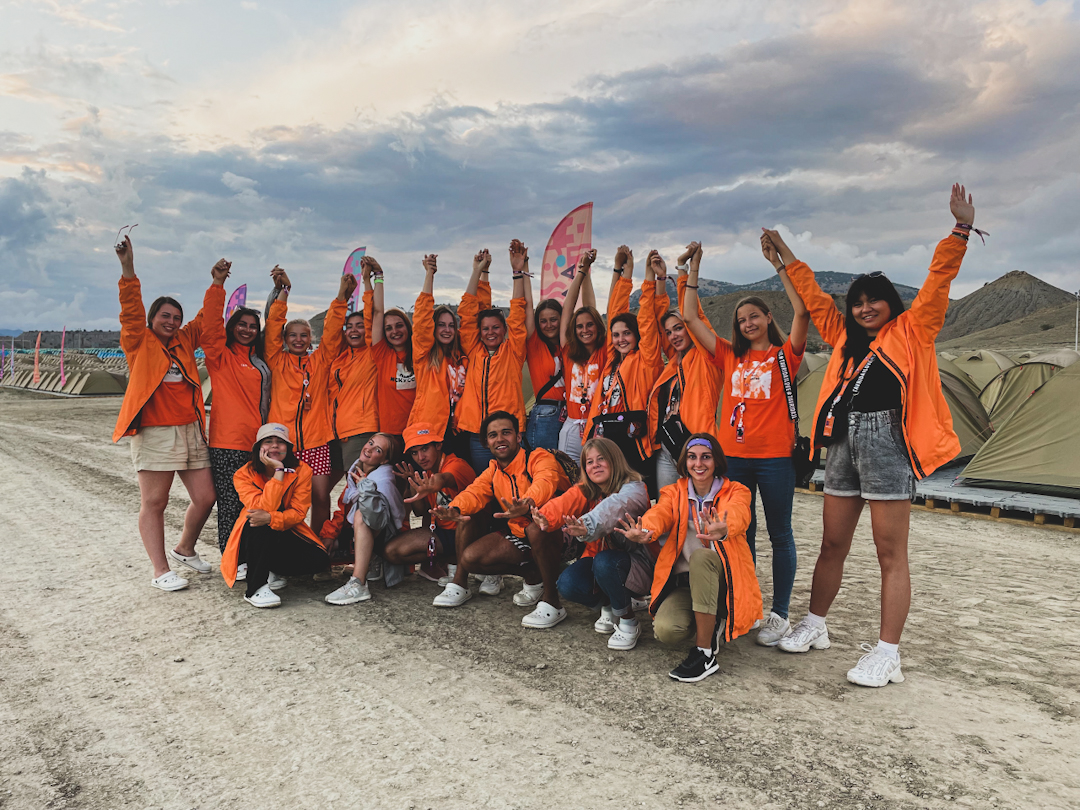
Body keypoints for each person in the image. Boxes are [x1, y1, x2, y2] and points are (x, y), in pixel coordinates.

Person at [772, 184, 978, 688]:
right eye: (858, 303)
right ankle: (816, 624)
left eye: (874, 302)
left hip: (888, 441)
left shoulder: (914, 329)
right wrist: (786, 257)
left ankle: (888, 654)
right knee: (832, 544)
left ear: (891, 304)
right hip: (843, 442)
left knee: (890, 553)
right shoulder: (843, 337)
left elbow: (938, 282)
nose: (865, 309)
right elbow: (814, 297)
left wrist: (960, 230)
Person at [682, 239, 810, 647]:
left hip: (774, 459)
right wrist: (693, 268)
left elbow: (803, 311)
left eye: (754, 316)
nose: (747, 323)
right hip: (733, 460)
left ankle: (780, 613)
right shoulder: (728, 355)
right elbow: (689, 316)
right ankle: (748, 605)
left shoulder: (785, 355)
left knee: (780, 534)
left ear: (769, 318)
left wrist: (779, 264)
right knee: (740, 534)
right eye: (741, 320)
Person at [113, 234, 218, 591]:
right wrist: (128, 268)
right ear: (153, 318)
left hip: (191, 429)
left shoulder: (185, 340)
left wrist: (216, 284)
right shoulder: (138, 340)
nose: (171, 322)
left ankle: (185, 548)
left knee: (206, 497)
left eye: (176, 317)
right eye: (165, 316)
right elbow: (130, 308)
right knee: (155, 501)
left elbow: (205, 318)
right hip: (155, 431)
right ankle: (160, 571)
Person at [618, 433, 761, 682]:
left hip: (725, 582)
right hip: (687, 584)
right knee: (666, 631)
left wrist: (724, 527)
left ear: (716, 461)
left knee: (701, 557)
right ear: (684, 462)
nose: (699, 463)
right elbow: (660, 513)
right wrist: (646, 529)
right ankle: (712, 622)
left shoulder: (737, 491)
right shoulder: (674, 492)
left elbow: (739, 513)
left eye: (706, 457)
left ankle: (704, 654)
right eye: (692, 457)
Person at [430, 411, 571, 627]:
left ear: (518, 437)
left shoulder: (538, 457)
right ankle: (533, 574)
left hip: (563, 533)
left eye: (506, 432)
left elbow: (546, 480)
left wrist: (528, 502)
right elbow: (474, 492)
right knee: (469, 556)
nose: (500, 439)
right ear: (486, 443)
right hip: (521, 534)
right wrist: (454, 508)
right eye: (493, 435)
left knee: (536, 527)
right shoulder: (493, 469)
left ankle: (552, 602)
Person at [532, 437, 654, 650]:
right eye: (589, 462)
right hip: (601, 561)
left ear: (615, 460)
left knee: (605, 562)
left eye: (601, 459)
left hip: (639, 565)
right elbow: (567, 501)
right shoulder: (590, 489)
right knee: (568, 583)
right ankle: (610, 604)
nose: (595, 465)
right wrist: (545, 516)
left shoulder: (635, 488)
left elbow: (615, 507)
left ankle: (628, 620)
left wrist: (587, 525)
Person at [264, 267, 354, 536]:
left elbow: (333, 329)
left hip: (316, 442)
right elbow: (272, 326)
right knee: (283, 498)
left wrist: (341, 296)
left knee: (320, 498)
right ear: (285, 339)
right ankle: (284, 547)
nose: (298, 339)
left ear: (311, 338)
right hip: (284, 443)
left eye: (304, 335)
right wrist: (284, 292)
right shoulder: (276, 360)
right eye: (292, 335)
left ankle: (316, 544)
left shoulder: (320, 361)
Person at [201, 264, 273, 559]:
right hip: (228, 444)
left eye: (252, 326)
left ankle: (253, 555)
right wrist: (217, 284)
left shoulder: (259, 360)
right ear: (231, 327)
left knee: (257, 504)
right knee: (230, 504)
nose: (247, 330)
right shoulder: (221, 356)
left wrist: (280, 292)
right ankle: (232, 559)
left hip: (258, 444)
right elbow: (210, 327)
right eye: (241, 324)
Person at [219, 423, 332, 608]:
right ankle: (255, 588)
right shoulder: (243, 474)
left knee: (319, 560)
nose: (274, 446)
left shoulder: (302, 470)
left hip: (287, 529)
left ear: (288, 447)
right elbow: (262, 507)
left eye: (280, 442)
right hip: (253, 532)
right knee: (257, 520)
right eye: (268, 441)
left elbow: (298, 513)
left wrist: (272, 518)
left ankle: (270, 568)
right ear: (258, 448)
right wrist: (278, 472)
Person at [646, 249, 723, 491]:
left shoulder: (707, 356)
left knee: (698, 509)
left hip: (699, 449)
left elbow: (693, 315)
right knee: (668, 508)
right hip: (669, 447)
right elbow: (659, 319)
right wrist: (660, 280)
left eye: (679, 328)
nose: (673, 336)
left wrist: (683, 270)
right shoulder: (674, 362)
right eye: (669, 332)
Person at [583, 246, 663, 479]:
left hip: (633, 441)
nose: (620, 339)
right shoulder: (612, 361)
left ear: (637, 335)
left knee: (634, 495)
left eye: (627, 333)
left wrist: (648, 277)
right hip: (605, 436)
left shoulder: (646, 360)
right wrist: (624, 272)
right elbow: (615, 311)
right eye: (616, 335)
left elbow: (647, 320)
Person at [455, 245, 527, 474]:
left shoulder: (513, 352)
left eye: (496, 327)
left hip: (508, 433)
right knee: (484, 485)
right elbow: (468, 313)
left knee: (515, 483)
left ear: (504, 330)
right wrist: (478, 271)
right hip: (479, 435)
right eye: (485, 329)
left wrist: (517, 273)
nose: (490, 332)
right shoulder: (474, 350)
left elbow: (518, 314)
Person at [382, 422, 477, 583]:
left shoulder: (456, 465)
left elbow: (444, 479)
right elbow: (419, 511)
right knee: (392, 552)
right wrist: (413, 484)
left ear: (438, 445)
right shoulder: (427, 471)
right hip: (444, 533)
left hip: (469, 531)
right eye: (414, 453)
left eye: (425, 449)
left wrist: (434, 483)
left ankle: (460, 566)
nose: (421, 457)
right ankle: (446, 560)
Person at [323, 433, 407, 605]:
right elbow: (344, 508)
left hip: (385, 537)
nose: (369, 449)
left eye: (378, 450)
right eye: (370, 443)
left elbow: (376, 519)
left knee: (362, 514)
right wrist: (330, 535)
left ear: (384, 460)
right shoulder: (357, 471)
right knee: (323, 551)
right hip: (361, 532)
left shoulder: (384, 479)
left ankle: (358, 583)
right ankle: (370, 562)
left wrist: (365, 487)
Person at [408, 254, 475, 461]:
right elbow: (421, 320)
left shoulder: (461, 357)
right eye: (441, 325)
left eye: (451, 325)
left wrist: (478, 271)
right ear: (433, 327)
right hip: (430, 432)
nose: (447, 330)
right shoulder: (425, 357)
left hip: (460, 431)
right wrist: (429, 274)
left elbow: (470, 315)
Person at [329, 259, 379, 482]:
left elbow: (372, 317)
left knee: (359, 489)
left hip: (361, 431)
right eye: (349, 327)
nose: (354, 330)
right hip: (334, 434)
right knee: (321, 492)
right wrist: (343, 295)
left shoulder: (371, 353)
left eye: (359, 326)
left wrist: (368, 282)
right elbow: (332, 329)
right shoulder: (340, 358)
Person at [557, 249, 606, 460]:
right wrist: (580, 272)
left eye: (589, 325)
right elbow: (567, 311)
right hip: (572, 426)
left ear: (597, 326)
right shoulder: (568, 352)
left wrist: (587, 271)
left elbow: (590, 307)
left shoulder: (604, 353)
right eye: (579, 326)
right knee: (568, 475)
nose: (585, 330)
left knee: (598, 475)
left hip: (599, 426)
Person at [367, 255, 417, 438]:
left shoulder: (419, 355)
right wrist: (378, 277)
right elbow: (377, 312)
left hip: (416, 434)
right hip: (389, 434)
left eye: (399, 325)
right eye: (388, 328)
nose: (394, 331)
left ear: (407, 327)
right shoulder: (382, 355)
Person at [522, 247, 565, 451]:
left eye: (554, 319)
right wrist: (524, 269)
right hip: (546, 416)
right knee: (546, 465)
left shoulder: (569, 346)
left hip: (572, 415)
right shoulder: (535, 345)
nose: (548, 325)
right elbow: (527, 304)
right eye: (543, 321)